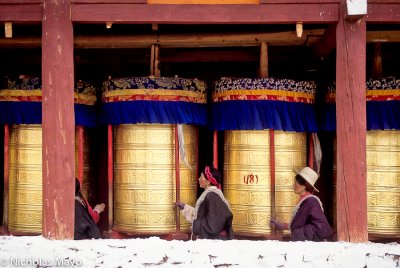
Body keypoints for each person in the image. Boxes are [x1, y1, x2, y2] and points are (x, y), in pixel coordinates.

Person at [270, 167, 332, 241]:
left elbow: (321, 226)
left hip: (311, 245)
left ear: (304, 185)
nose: (293, 186)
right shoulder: (303, 201)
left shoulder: (311, 201)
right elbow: (299, 224)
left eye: (295, 183)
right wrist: (283, 225)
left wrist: (298, 233)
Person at [175, 165, 233, 240]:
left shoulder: (212, 197)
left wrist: (196, 225)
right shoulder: (209, 195)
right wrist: (185, 207)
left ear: (208, 181)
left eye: (201, 177)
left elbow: (213, 226)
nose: (199, 179)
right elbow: (201, 215)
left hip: (215, 243)